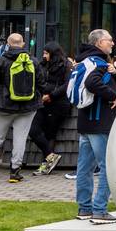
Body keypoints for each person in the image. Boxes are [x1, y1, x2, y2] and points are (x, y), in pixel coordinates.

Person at [0, 33, 41, 183]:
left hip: (3, 106)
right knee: (20, 138)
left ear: (8, 44)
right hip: (27, 107)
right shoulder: (33, 61)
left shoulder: (1, 61)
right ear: (23, 44)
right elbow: (41, 83)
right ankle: (15, 172)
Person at [72, 28, 116, 224]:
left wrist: (115, 72)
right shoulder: (99, 63)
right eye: (109, 40)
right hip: (100, 122)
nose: (112, 43)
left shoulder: (85, 61)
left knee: (84, 167)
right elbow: (94, 84)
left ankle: (84, 208)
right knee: (107, 166)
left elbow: (99, 82)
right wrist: (111, 96)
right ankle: (100, 210)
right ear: (99, 43)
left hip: (85, 122)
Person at [28, 42, 71, 175]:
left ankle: (46, 166)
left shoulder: (66, 65)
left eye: (46, 53)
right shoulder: (42, 65)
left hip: (58, 104)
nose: (44, 55)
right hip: (42, 103)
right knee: (33, 129)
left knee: (50, 133)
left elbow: (67, 85)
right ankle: (51, 156)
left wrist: (51, 96)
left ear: (53, 53)